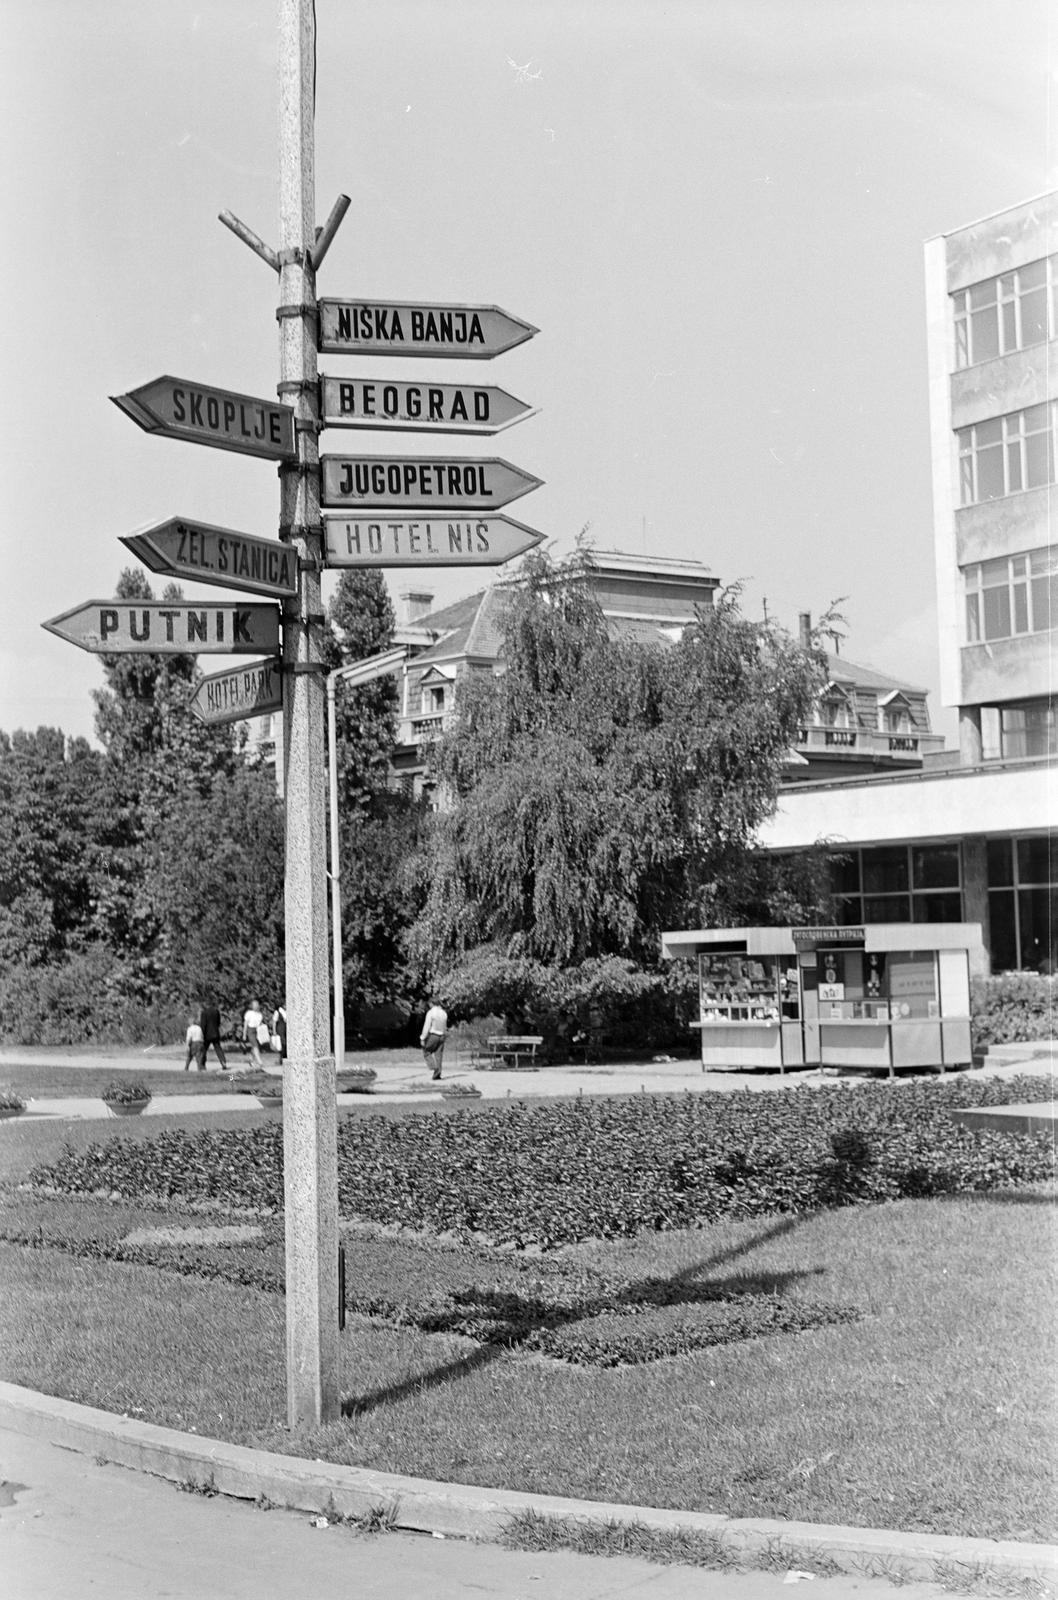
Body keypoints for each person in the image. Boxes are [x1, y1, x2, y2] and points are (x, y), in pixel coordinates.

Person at [420, 999, 448, 1080]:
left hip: (434, 1034)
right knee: (439, 1055)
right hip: (442, 1035)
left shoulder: (431, 1012)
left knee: (426, 1051)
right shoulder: (444, 1013)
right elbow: (445, 1026)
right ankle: (437, 1074)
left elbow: (427, 1026)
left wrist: (423, 1037)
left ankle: (433, 1066)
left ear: (432, 1004)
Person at [199, 1001, 227, 1070]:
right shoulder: (216, 1011)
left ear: (205, 1004)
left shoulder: (204, 1012)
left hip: (207, 1034)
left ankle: (202, 1064)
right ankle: (223, 1062)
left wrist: (201, 1034)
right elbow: (218, 1022)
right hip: (215, 1033)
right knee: (218, 1048)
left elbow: (203, 1024)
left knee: (204, 1049)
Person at [242, 999, 266, 1069]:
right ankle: (259, 1061)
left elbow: (260, 1023)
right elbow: (246, 1023)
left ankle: (251, 1060)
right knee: (255, 1045)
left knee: (254, 1046)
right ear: (252, 1006)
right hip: (251, 1030)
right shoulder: (249, 1013)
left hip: (257, 1031)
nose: (256, 1006)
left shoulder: (260, 1014)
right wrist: (244, 1034)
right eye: (254, 1005)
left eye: (257, 1005)